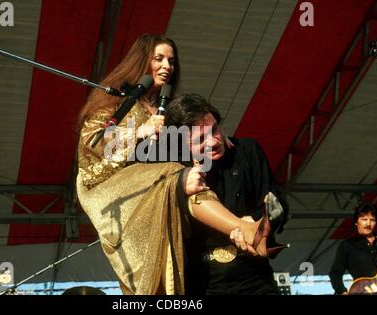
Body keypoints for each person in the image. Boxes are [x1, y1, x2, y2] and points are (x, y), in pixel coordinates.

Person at [76, 34, 272, 295]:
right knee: (177, 174)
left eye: (172, 60)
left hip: (154, 185)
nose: (167, 66)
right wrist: (139, 133)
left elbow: (191, 132)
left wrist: (220, 134)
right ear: (140, 63)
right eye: (159, 59)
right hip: (111, 186)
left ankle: (245, 229)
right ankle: (243, 227)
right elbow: (92, 143)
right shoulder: (116, 103)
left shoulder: (163, 107)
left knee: (185, 177)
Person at [165, 93, 289, 295]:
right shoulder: (174, 170)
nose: (213, 141)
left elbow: (279, 204)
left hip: (254, 276)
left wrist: (257, 220)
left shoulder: (248, 150)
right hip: (201, 283)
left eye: (214, 130)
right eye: (200, 139)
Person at [329, 203, 377, 294]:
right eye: (364, 219)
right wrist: (342, 291)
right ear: (356, 222)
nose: (368, 223)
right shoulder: (347, 245)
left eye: (372, 220)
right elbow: (335, 273)